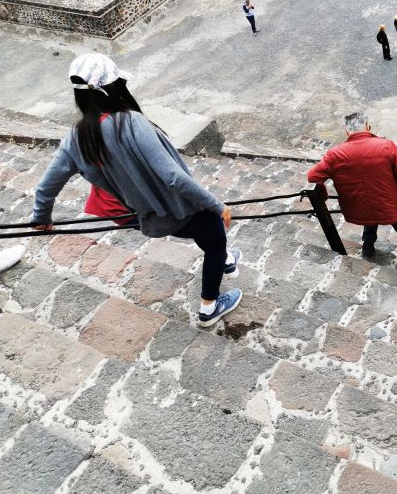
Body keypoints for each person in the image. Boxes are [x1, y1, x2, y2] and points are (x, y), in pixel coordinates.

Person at [30, 53, 242, 327]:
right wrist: (217, 204)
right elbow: (173, 177)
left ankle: (225, 260)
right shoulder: (131, 122)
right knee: (215, 240)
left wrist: (41, 218)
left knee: (209, 237)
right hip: (180, 208)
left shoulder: (76, 138)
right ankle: (209, 308)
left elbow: (47, 187)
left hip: (142, 215)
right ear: (115, 87)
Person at [308, 113, 397, 263]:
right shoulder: (386, 146)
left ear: (347, 131)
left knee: (369, 214)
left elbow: (313, 176)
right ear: (367, 126)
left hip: (360, 206)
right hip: (391, 205)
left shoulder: (334, 154)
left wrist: (323, 193)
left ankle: (368, 247)